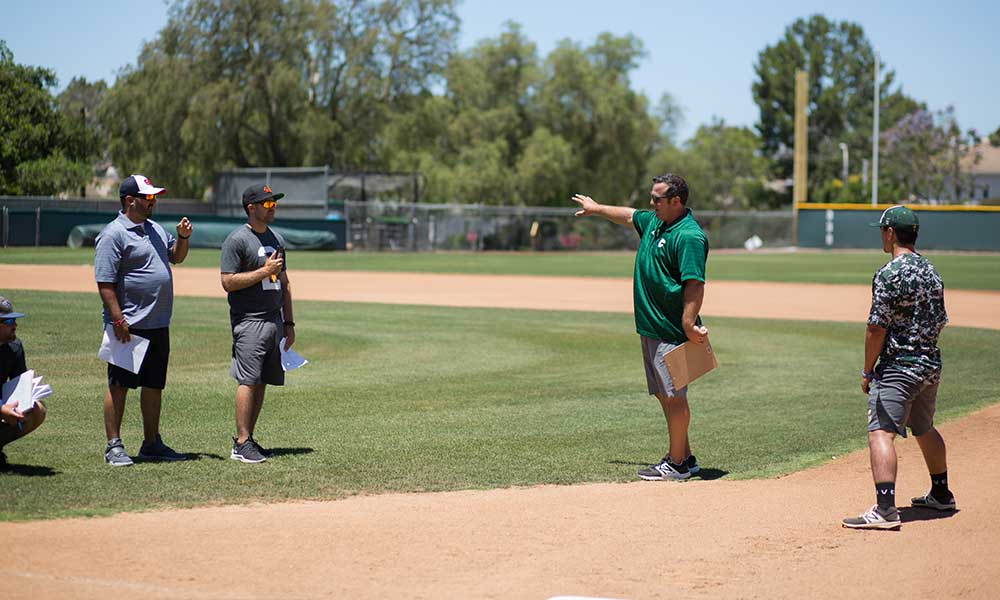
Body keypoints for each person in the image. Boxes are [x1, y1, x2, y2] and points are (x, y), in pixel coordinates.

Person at [572, 173, 709, 481]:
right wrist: (597, 208)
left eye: (657, 199)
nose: (651, 203)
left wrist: (688, 323)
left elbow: (695, 284)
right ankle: (685, 457)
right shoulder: (656, 222)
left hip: (671, 329)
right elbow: (629, 215)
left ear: (676, 201)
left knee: (675, 396)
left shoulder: (688, 236)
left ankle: (676, 464)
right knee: (664, 394)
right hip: (651, 326)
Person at [843, 205, 954, 530]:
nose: (881, 235)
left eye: (882, 230)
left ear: (891, 233)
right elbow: (940, 320)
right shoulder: (932, 271)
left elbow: (876, 328)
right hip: (929, 364)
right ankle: (941, 493)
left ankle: (885, 509)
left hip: (899, 368)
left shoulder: (889, 273)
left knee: (880, 432)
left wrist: (868, 370)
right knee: (924, 428)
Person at [94, 174, 192, 466]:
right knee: (119, 385)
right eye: (148, 197)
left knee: (153, 385)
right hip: (128, 325)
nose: (153, 202)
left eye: (154, 197)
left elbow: (176, 257)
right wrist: (117, 319)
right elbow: (105, 283)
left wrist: (183, 238)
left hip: (158, 322)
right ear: (129, 200)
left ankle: (151, 442)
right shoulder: (113, 234)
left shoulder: (155, 229)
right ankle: (113, 446)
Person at [220, 183, 296, 464]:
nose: (273, 207)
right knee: (248, 380)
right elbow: (227, 282)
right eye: (267, 203)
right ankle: (241, 442)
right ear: (251, 208)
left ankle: (249, 438)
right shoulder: (237, 240)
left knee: (262, 380)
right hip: (249, 321)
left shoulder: (276, 238)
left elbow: (285, 283)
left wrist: (289, 323)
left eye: (274, 203)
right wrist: (264, 271)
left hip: (274, 320)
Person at [0, 296, 47, 468]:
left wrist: (24, 403)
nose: (15, 325)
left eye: (14, 319)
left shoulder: (14, 347)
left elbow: (19, 384)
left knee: (37, 410)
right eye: (9, 321)